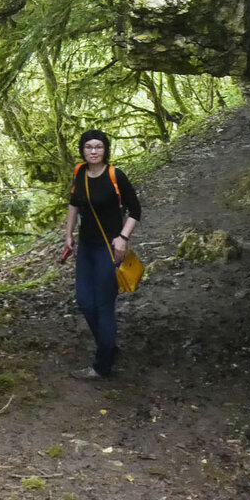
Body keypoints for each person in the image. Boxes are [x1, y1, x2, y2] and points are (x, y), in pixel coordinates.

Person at [63, 130, 141, 379]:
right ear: (82, 150)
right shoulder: (80, 173)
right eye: (89, 147)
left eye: (98, 147)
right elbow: (74, 203)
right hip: (86, 247)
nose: (94, 151)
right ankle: (108, 347)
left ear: (105, 150)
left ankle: (102, 365)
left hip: (109, 247)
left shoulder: (115, 175)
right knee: (85, 302)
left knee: (103, 305)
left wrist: (123, 238)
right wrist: (68, 235)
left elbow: (136, 209)